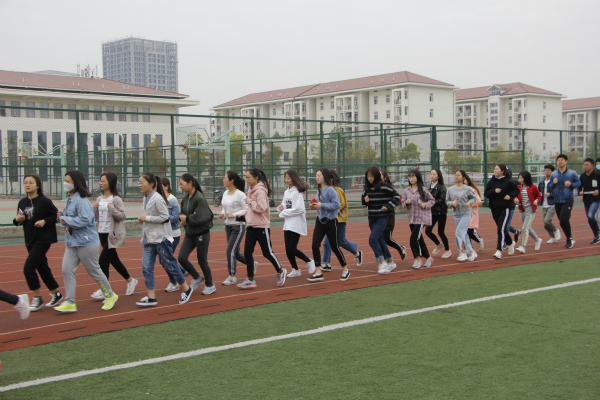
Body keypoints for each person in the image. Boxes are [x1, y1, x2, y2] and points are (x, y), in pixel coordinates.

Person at [55, 170, 119, 312]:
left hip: (86, 242)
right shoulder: (69, 199)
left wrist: (66, 219)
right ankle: (70, 302)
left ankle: (110, 295)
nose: (65, 183)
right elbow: (70, 217)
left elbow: (85, 219)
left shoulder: (81, 200)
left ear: (76, 183)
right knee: (67, 269)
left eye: (68, 181)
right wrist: (62, 216)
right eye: (65, 180)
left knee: (94, 270)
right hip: (72, 242)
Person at [136, 172, 192, 307]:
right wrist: (144, 219)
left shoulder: (158, 199)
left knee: (170, 264)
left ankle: (186, 288)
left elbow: (165, 217)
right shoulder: (146, 198)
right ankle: (151, 297)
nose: (139, 185)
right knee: (146, 267)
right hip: (149, 238)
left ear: (151, 184)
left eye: (142, 182)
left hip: (161, 238)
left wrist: (147, 218)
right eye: (139, 183)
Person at [13, 174, 63, 311]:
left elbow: (56, 216)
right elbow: (18, 220)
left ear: (37, 185)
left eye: (31, 182)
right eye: (25, 183)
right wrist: (17, 220)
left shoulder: (44, 201)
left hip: (43, 239)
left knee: (28, 268)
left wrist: (44, 221)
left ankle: (37, 297)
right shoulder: (22, 202)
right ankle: (56, 293)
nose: (27, 185)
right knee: (42, 267)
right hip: (30, 239)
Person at [236, 168, 287, 289]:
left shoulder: (260, 191)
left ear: (256, 178)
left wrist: (249, 201)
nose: (247, 179)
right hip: (251, 227)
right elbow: (251, 209)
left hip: (261, 227)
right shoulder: (250, 190)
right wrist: (244, 215)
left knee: (267, 252)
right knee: (247, 253)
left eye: (249, 177)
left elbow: (261, 208)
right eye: (246, 177)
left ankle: (280, 271)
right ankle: (250, 279)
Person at [91, 172, 138, 300]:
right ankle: (130, 280)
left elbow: (122, 216)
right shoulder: (99, 199)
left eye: (103, 181)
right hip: (101, 232)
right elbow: (96, 217)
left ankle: (104, 289)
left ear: (110, 182)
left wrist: (111, 208)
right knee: (113, 260)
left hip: (113, 234)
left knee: (102, 261)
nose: (101, 183)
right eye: (100, 181)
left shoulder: (116, 199)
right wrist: (93, 209)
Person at [307, 168, 349, 282]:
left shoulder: (331, 190)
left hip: (330, 221)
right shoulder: (319, 189)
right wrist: (314, 206)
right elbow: (319, 204)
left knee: (334, 246)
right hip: (319, 221)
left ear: (324, 176)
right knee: (315, 245)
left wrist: (321, 205)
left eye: (319, 175)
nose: (317, 177)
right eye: (316, 175)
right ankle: (318, 272)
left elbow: (336, 205)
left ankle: (345, 269)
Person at [178, 173, 216, 295]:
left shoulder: (199, 198)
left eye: (182, 184)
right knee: (182, 257)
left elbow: (202, 218)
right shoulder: (185, 199)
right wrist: (182, 219)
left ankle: (210, 285)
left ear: (190, 183)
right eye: (179, 184)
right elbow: (182, 214)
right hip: (190, 234)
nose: (180, 186)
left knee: (202, 260)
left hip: (201, 234)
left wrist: (187, 218)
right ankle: (197, 276)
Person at [322, 169, 363, 271]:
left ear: (331, 178)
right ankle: (327, 263)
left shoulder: (337, 190)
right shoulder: (327, 190)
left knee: (341, 241)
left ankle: (357, 252)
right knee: (326, 242)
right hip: (330, 220)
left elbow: (341, 204)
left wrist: (331, 209)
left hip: (339, 220)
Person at [362, 166, 401, 274]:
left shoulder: (385, 187)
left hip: (382, 218)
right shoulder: (367, 189)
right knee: (380, 240)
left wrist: (389, 206)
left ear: (377, 176)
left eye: (371, 176)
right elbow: (364, 200)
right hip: (371, 218)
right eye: (368, 176)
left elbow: (397, 196)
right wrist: (365, 201)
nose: (369, 178)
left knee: (372, 240)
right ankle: (391, 262)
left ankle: (382, 262)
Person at [278, 169, 315, 277]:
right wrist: (281, 208)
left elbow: (300, 209)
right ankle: (295, 269)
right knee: (287, 248)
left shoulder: (297, 192)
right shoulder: (286, 192)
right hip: (288, 223)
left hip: (296, 223)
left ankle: (309, 261)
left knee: (292, 248)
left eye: (289, 178)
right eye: (285, 178)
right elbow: (285, 205)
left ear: (294, 178)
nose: (286, 180)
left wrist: (284, 211)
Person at [218, 170, 250, 285]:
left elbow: (247, 208)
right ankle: (251, 263)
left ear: (231, 181)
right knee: (235, 252)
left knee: (230, 251)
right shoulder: (225, 193)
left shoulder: (240, 194)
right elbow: (225, 207)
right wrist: (223, 213)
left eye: (225, 178)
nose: (223, 180)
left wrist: (234, 214)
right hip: (228, 226)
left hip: (238, 226)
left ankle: (232, 276)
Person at [484, 163, 519, 259]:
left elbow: (516, 191)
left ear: (502, 171)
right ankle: (510, 243)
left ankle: (499, 250)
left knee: (500, 229)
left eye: (497, 169)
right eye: (494, 169)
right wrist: (494, 191)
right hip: (494, 208)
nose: (495, 171)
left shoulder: (508, 181)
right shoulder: (491, 181)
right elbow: (486, 193)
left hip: (505, 208)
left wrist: (510, 196)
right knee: (501, 228)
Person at [402, 169, 435, 269]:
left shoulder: (423, 190)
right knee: (419, 239)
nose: (411, 179)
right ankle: (428, 258)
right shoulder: (407, 190)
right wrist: (406, 202)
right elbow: (402, 203)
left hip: (421, 218)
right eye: (410, 177)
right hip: (412, 218)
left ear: (418, 177)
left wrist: (425, 205)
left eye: (413, 176)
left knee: (413, 238)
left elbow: (432, 200)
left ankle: (418, 259)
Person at [548, 154, 581, 249]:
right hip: (557, 200)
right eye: (558, 160)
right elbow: (550, 186)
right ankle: (570, 238)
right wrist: (553, 183)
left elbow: (578, 183)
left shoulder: (572, 173)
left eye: (562, 160)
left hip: (567, 199)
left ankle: (569, 238)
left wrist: (571, 184)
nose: (560, 162)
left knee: (564, 219)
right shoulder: (554, 174)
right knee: (561, 221)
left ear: (566, 161)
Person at [161, 177, 187, 292]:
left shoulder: (172, 200)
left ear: (166, 187)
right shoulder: (159, 199)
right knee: (164, 259)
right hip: (162, 233)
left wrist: (162, 218)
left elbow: (176, 217)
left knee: (166, 259)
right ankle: (182, 272)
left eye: (160, 186)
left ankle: (174, 282)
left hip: (173, 234)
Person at [446, 170, 478, 262]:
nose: (456, 177)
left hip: (466, 213)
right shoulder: (450, 189)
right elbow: (447, 201)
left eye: (459, 175)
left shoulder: (467, 189)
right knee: (464, 234)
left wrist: (469, 202)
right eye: (455, 175)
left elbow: (474, 198)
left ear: (463, 177)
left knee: (459, 232)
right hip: (456, 214)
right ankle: (471, 251)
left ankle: (462, 252)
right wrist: (452, 203)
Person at [380, 170, 407, 261]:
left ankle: (400, 248)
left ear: (384, 178)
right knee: (379, 238)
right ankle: (385, 258)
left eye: (380, 175)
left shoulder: (389, 188)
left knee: (387, 238)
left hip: (388, 216)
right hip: (379, 216)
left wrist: (388, 206)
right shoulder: (374, 188)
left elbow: (397, 198)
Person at [514, 171, 543, 253]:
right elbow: (514, 195)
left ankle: (523, 247)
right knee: (528, 228)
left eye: (522, 178)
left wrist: (537, 200)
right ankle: (537, 240)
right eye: (519, 178)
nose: (520, 180)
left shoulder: (533, 187)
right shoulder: (518, 187)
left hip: (530, 209)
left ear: (526, 178)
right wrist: (515, 199)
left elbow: (539, 195)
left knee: (524, 228)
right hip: (521, 209)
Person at [426, 169, 451, 258]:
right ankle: (438, 244)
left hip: (441, 212)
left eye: (434, 174)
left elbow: (442, 199)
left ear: (438, 176)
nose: (432, 176)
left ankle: (447, 250)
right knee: (428, 231)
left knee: (441, 232)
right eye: (431, 174)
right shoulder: (428, 187)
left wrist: (432, 202)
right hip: (432, 212)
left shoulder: (442, 187)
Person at [578, 158, 600, 244]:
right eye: (584, 165)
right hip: (586, 200)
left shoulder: (597, 175)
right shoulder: (582, 176)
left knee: (591, 216)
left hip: (595, 199)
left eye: (587, 165)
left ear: (592, 165)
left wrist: (598, 191)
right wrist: (580, 191)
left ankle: (598, 234)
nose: (585, 166)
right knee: (589, 219)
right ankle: (597, 235)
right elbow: (579, 186)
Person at [538, 164, 561, 243]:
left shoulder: (554, 182)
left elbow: (558, 192)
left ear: (552, 172)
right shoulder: (541, 182)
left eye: (548, 170)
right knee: (545, 224)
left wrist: (550, 194)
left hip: (552, 204)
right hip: (544, 204)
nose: (546, 172)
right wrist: (539, 196)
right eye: (545, 170)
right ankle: (553, 237)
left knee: (547, 221)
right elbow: (538, 192)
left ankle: (556, 230)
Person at [464, 173, 484, 251]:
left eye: (464, 180)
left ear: (467, 181)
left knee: (470, 231)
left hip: (472, 214)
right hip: (463, 214)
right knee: (465, 232)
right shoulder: (459, 190)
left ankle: (479, 240)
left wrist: (469, 204)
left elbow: (478, 200)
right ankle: (470, 249)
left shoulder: (472, 190)